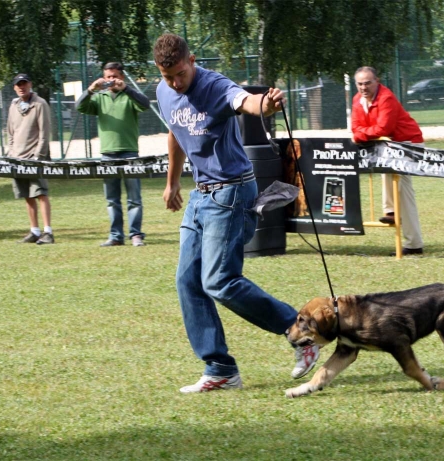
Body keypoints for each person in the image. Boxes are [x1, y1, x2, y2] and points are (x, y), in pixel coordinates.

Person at [152, 33, 319, 393]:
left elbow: (245, 101)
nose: (177, 83)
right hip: (200, 195)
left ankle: (303, 333)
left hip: (231, 192)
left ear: (192, 60)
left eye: (181, 74)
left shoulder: (214, 85)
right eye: (169, 77)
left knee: (219, 281)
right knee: (188, 282)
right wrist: (172, 182)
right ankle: (220, 369)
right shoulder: (164, 92)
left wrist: (267, 106)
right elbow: (175, 132)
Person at [351, 66, 424, 256]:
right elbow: (355, 126)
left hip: (408, 143)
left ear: (377, 81)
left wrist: (360, 136)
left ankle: (409, 237)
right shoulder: (357, 100)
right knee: (394, 180)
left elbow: (383, 128)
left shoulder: (386, 98)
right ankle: (394, 216)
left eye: (368, 83)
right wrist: (362, 134)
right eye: (360, 84)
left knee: (402, 188)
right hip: (388, 147)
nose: (363, 87)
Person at [76, 62, 150, 247]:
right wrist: (91, 89)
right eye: (108, 77)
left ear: (122, 77)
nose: (111, 80)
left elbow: (145, 104)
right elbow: (79, 106)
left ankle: (136, 235)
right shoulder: (99, 97)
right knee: (112, 199)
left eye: (115, 76)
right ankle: (116, 236)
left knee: (134, 198)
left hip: (130, 152)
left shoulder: (129, 96)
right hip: (107, 155)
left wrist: (127, 89)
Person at [7, 73, 55, 245]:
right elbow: (10, 132)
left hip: (34, 159)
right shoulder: (13, 105)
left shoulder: (40, 104)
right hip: (17, 158)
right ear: (14, 87)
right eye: (18, 84)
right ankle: (34, 230)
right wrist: (12, 153)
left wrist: (38, 156)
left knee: (41, 193)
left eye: (24, 83)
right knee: (27, 195)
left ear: (30, 84)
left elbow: (44, 132)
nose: (22, 87)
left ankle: (48, 231)